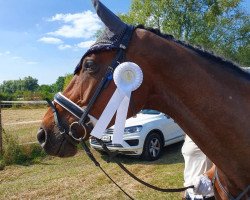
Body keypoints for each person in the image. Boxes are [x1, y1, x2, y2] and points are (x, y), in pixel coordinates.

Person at [182, 135, 215, 200]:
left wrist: (207, 176)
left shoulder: (211, 132)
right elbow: (189, 163)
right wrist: (186, 188)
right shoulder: (188, 133)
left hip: (208, 194)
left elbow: (224, 162)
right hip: (189, 193)